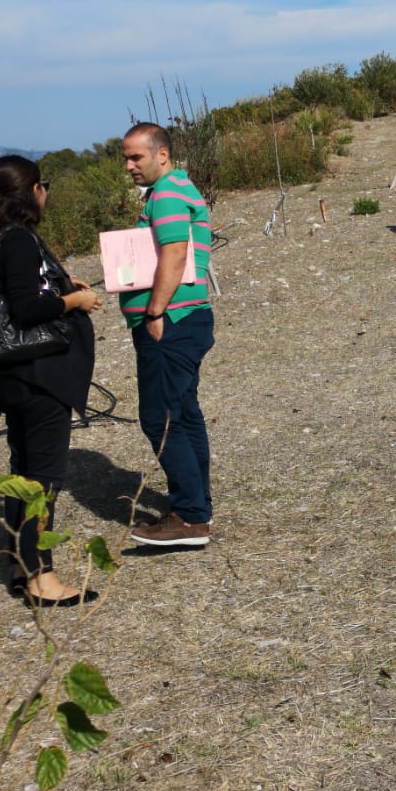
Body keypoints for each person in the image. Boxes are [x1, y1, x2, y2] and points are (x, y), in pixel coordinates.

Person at [0, 156, 102, 605]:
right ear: (35, 192)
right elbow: (26, 310)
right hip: (38, 375)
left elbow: (10, 295)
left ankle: (17, 559)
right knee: (44, 478)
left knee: (22, 471)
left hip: (9, 375)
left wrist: (60, 284)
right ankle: (41, 580)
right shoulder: (21, 240)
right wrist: (73, 300)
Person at [120, 123, 214, 548]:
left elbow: (174, 253)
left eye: (136, 157)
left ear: (162, 154)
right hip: (183, 318)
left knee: (160, 417)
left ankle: (191, 518)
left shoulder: (169, 193)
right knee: (184, 412)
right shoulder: (173, 189)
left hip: (170, 320)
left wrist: (155, 310)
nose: (129, 165)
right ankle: (194, 508)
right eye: (126, 157)